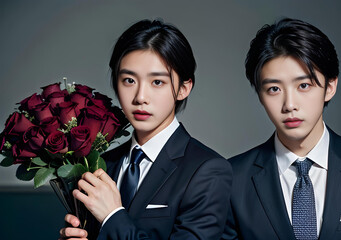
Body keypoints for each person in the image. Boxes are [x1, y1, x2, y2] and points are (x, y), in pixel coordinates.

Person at [222, 18, 341, 240]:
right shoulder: (231, 178)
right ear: (260, 96)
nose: (289, 104)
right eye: (274, 89)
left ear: (330, 87)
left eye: (304, 85)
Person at [59, 19, 232, 240]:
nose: (140, 97)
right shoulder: (101, 165)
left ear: (183, 88)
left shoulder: (209, 171)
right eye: (129, 80)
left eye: (157, 82)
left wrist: (112, 216)